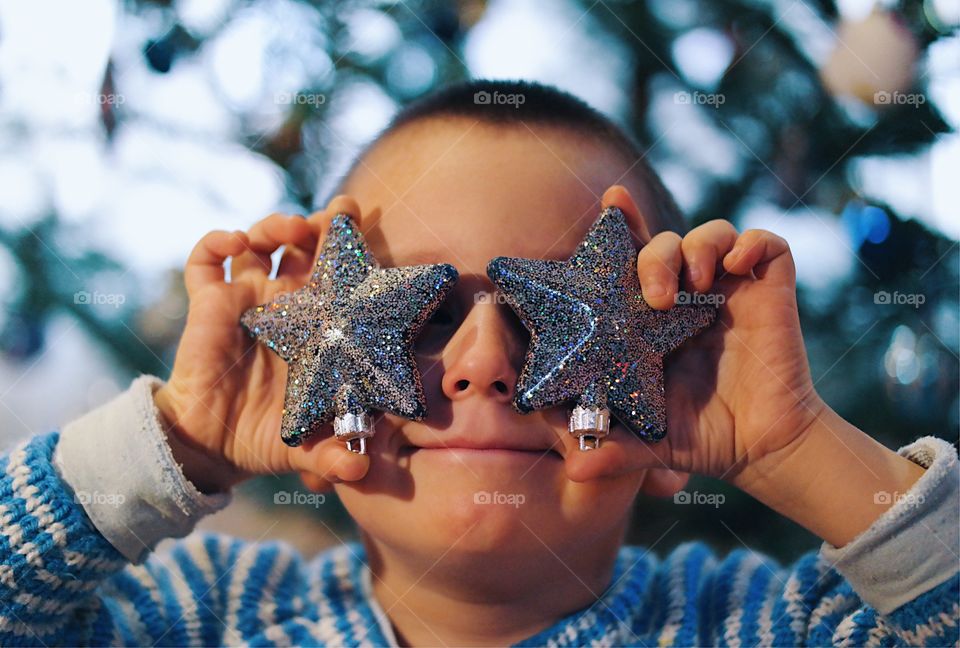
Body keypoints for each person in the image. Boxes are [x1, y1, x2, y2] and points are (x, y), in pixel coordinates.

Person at [1, 80, 956, 647]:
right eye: (420, 309)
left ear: (678, 374)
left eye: (564, 313)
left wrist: (792, 447)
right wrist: (180, 439)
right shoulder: (209, 615)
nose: (487, 366)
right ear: (308, 365)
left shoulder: (767, 624)